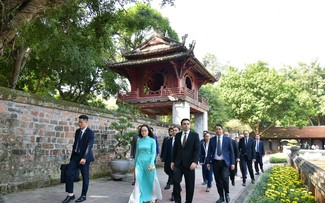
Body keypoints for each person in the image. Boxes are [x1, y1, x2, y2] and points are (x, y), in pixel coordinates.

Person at [62, 115, 95, 203]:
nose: (79, 124)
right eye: (78, 122)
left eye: (81, 122)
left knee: (85, 177)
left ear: (86, 122)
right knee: (68, 173)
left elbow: (89, 146)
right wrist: (72, 155)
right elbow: (75, 144)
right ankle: (70, 195)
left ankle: (83, 196)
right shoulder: (77, 131)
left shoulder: (90, 132)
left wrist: (84, 157)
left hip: (84, 158)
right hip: (75, 157)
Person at [128, 124, 162, 203]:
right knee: (139, 180)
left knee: (150, 180)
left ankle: (152, 196)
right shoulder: (139, 140)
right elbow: (137, 154)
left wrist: (151, 164)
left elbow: (153, 153)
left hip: (149, 163)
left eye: (145, 130)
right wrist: (135, 164)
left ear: (148, 131)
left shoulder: (152, 140)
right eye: (142, 131)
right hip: (139, 163)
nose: (143, 132)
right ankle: (137, 197)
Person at [171, 118, 200, 203]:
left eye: (188, 123)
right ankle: (177, 200)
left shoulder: (195, 135)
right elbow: (175, 149)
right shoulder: (178, 135)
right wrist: (172, 161)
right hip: (178, 163)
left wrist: (195, 162)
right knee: (176, 182)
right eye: (184, 124)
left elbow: (197, 150)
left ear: (190, 125)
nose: (186, 125)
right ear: (182, 125)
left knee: (190, 185)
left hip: (190, 164)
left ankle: (188, 201)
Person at [206, 125, 235, 203]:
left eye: (219, 129)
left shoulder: (228, 140)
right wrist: (208, 162)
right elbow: (209, 152)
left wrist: (232, 163)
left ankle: (227, 194)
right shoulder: (212, 140)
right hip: (215, 162)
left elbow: (232, 152)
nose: (218, 130)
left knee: (225, 179)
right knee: (218, 180)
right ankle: (221, 197)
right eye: (216, 129)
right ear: (215, 131)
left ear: (222, 130)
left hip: (225, 163)